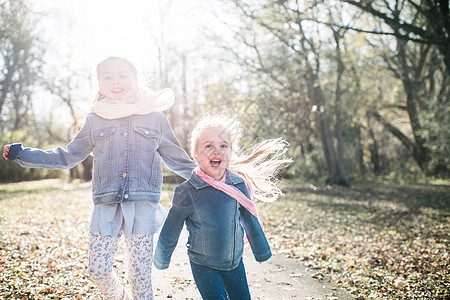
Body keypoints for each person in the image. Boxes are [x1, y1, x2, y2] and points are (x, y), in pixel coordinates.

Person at [3, 56, 196, 300]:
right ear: (100, 86)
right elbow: (68, 156)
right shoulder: (95, 120)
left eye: (122, 76)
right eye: (108, 77)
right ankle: (120, 297)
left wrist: (215, 178)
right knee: (98, 270)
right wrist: (24, 154)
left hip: (141, 207)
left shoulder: (156, 119)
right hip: (106, 206)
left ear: (135, 81)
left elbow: (178, 159)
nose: (116, 82)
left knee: (140, 277)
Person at [153, 112, 291, 299]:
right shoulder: (187, 192)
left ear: (230, 153)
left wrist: (261, 250)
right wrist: (161, 259)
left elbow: (250, 219)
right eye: (208, 146)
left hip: (234, 263)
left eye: (223, 146)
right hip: (203, 265)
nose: (216, 151)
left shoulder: (238, 185)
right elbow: (171, 228)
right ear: (196, 155)